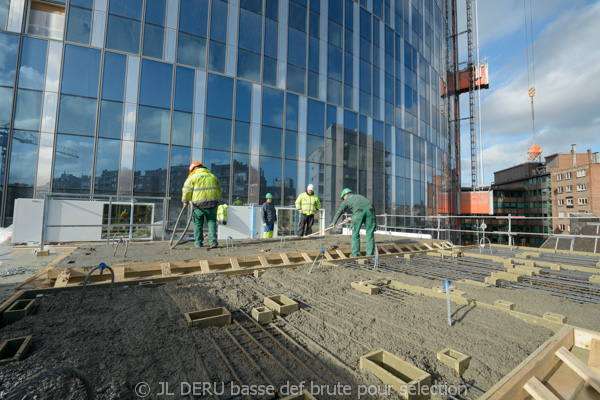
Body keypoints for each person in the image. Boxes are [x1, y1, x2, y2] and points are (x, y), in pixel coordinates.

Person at [182, 161, 222, 248]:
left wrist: (185, 201)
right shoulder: (213, 177)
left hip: (198, 205)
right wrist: (216, 200)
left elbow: (186, 190)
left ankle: (198, 243)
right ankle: (213, 241)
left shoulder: (193, 177)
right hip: (212, 203)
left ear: (194, 168)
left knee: (198, 223)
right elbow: (219, 190)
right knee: (211, 222)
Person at [330, 188, 375, 257]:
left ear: (345, 195)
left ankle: (355, 254)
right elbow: (365, 206)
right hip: (371, 209)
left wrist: (334, 222)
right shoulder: (360, 196)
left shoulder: (347, 200)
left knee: (355, 233)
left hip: (359, 212)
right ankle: (370, 255)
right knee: (370, 233)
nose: (344, 199)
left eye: (343, 198)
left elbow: (339, 211)